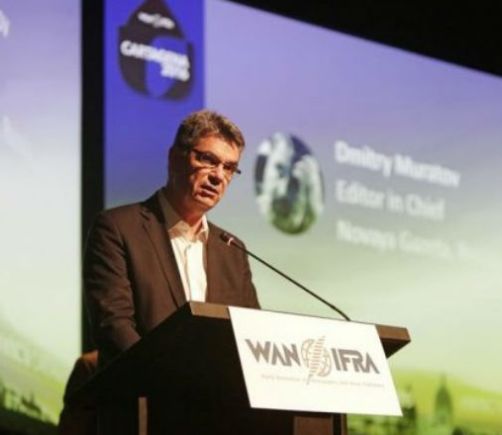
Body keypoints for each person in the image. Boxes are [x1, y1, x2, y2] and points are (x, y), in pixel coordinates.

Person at [84, 109, 260, 367]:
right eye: (208, 159)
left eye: (229, 168)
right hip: (144, 390)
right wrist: (174, 382)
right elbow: (113, 326)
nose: (218, 176)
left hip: (215, 393)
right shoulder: (118, 228)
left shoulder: (232, 251)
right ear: (175, 158)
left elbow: (251, 336)